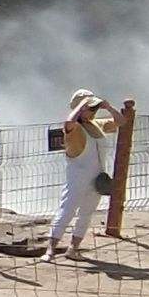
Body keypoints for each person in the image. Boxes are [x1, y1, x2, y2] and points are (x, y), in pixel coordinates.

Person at [42, 91, 121, 262]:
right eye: (90, 108)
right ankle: (50, 250)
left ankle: (73, 248)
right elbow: (69, 122)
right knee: (66, 211)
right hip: (77, 177)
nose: (93, 111)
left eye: (94, 108)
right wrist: (81, 105)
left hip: (97, 177)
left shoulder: (96, 125)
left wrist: (108, 107)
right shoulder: (74, 129)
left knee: (87, 213)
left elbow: (121, 122)